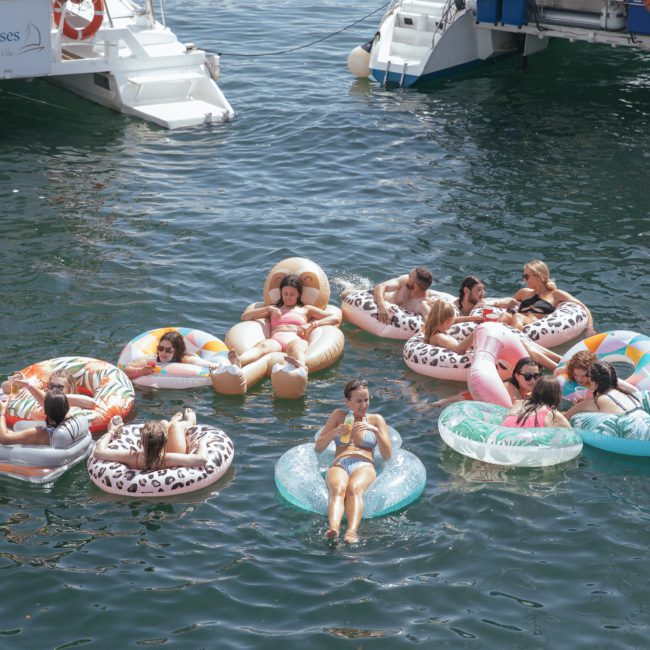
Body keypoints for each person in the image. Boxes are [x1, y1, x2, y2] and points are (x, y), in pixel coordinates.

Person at [314, 379, 392, 544]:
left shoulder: (376, 420)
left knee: (354, 489)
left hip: (364, 464)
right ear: (347, 402)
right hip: (340, 462)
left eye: (366, 400)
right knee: (337, 489)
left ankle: (351, 532)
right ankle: (333, 528)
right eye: (358, 401)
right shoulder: (338, 416)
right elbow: (319, 447)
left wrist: (376, 432)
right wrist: (334, 432)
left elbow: (387, 455)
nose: (364, 405)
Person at [228, 274, 339, 370]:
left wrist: (312, 324)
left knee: (294, 348)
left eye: (292, 294)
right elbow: (245, 317)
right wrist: (267, 309)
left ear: (298, 294)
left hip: (296, 339)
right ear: (281, 293)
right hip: (276, 340)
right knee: (262, 346)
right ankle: (239, 361)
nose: (288, 297)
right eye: (285, 293)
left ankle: (301, 366)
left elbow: (334, 318)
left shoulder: (306, 309)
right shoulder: (273, 309)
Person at [499, 260, 596, 336]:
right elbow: (510, 303)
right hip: (517, 322)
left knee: (518, 317)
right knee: (505, 316)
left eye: (526, 276)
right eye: (523, 276)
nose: (524, 279)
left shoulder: (556, 294)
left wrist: (590, 327)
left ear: (538, 276)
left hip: (534, 327)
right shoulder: (523, 292)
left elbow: (583, 307)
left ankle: (510, 343)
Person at [93, 408, 210, 470]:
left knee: (164, 423)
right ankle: (190, 422)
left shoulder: (132, 457)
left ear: (142, 442)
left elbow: (98, 452)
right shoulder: (169, 458)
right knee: (175, 426)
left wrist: (111, 431)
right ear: (165, 441)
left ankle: (169, 423)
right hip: (172, 452)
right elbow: (201, 459)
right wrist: (202, 442)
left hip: (149, 455)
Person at [430, 356, 542, 407]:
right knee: (434, 405)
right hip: (467, 400)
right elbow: (518, 409)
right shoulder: (511, 388)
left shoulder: (526, 389)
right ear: (517, 376)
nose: (533, 380)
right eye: (528, 376)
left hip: (471, 397)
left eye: (536, 376)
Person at [0, 389, 89, 446]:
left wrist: (2, 411)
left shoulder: (39, 432)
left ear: (46, 411)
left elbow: (4, 439)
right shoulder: (73, 417)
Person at [564, 361, 649, 420]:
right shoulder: (624, 393)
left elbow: (565, 417)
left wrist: (579, 406)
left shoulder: (594, 401)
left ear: (592, 380)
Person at [123, 331, 220, 379]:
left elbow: (196, 361)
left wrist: (209, 364)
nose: (163, 352)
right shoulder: (152, 359)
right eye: (160, 348)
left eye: (168, 350)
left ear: (177, 351)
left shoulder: (182, 358)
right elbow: (125, 370)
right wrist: (140, 372)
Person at [554, 350, 638, 402]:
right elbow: (557, 371)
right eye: (576, 375)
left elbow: (634, 390)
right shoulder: (570, 369)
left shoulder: (601, 376)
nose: (579, 379)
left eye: (583, 376)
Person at [4, 369, 96, 409]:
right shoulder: (41, 392)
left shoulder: (74, 400)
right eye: (52, 386)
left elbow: (92, 404)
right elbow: (5, 387)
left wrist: (58, 397)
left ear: (69, 389)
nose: (54, 389)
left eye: (60, 387)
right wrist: (20, 383)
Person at [502, 377, 571, 429]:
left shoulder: (519, 403)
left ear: (534, 391)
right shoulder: (553, 415)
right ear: (557, 396)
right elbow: (572, 436)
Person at [453, 275, 517, 321]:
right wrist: (474, 318)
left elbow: (512, 301)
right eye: (479, 289)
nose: (483, 293)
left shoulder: (483, 303)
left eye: (483, 289)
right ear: (466, 291)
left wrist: (492, 304)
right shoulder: (453, 307)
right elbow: (449, 321)